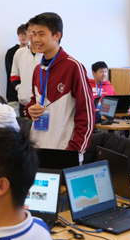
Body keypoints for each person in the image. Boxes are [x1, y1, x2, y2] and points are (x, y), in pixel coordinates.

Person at [25, 12, 94, 163]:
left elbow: (87, 116)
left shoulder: (73, 67)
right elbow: (34, 101)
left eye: (41, 34)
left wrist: (74, 151)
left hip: (65, 152)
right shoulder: (38, 69)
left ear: (57, 35)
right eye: (34, 34)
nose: (36, 39)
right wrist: (30, 109)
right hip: (37, 149)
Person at [11, 21, 43, 115]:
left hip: (42, 102)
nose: (31, 34)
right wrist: (20, 88)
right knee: (24, 123)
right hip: (24, 101)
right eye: (28, 31)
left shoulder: (45, 54)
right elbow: (14, 75)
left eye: (34, 31)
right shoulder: (20, 53)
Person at [5, 24, 28, 112]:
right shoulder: (11, 52)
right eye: (21, 34)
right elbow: (10, 72)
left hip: (28, 94)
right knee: (13, 116)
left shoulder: (34, 52)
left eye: (25, 34)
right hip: (13, 92)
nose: (23, 37)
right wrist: (18, 86)